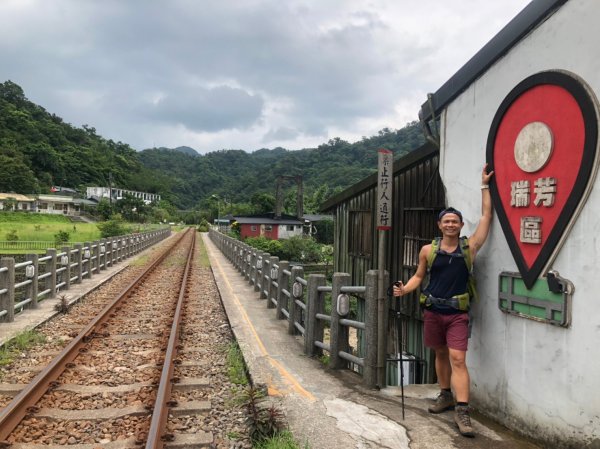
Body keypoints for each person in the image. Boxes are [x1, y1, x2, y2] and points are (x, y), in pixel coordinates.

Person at [393, 164, 493, 437]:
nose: (450, 224)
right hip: (433, 310)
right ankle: (445, 394)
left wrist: (484, 185)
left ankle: (463, 410)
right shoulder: (428, 249)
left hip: (457, 313)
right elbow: (418, 276)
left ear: (460, 225)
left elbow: (486, 216)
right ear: (440, 225)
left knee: (458, 359)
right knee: (439, 353)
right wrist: (406, 290)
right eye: (446, 221)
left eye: (455, 221)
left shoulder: (469, 246)